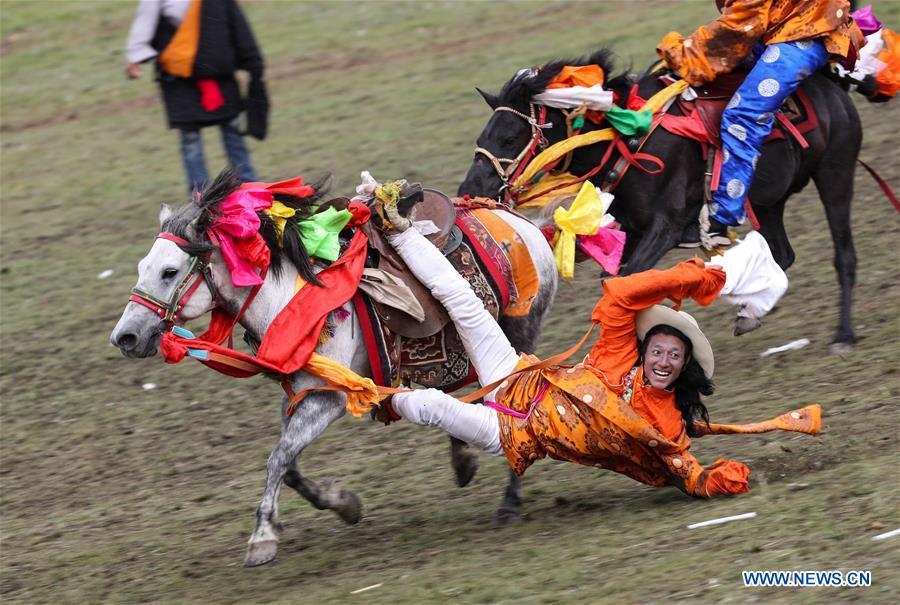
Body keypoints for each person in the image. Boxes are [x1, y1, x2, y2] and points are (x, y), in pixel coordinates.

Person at [376, 201, 819, 499]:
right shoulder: (619, 353)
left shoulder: (668, 423)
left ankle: (363, 393)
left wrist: (710, 480)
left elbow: (685, 469)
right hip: (518, 375)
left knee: (430, 405)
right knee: (463, 302)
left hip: (510, 432)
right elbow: (624, 293)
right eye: (659, 351)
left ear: (685, 367)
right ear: (646, 350)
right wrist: (705, 276)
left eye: (674, 357)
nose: (664, 361)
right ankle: (397, 228)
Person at [657, 0, 864, 244]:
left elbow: (742, 22)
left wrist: (682, 51)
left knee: (741, 115)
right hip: (776, 27)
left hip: (804, 32)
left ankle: (722, 217)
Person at [125, 0, 268, 192]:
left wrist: (252, 60)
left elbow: (235, 22)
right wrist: (135, 56)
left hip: (217, 70)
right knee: (190, 139)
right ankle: (200, 194)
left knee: (232, 129)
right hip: (180, 76)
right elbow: (145, 19)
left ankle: (248, 183)